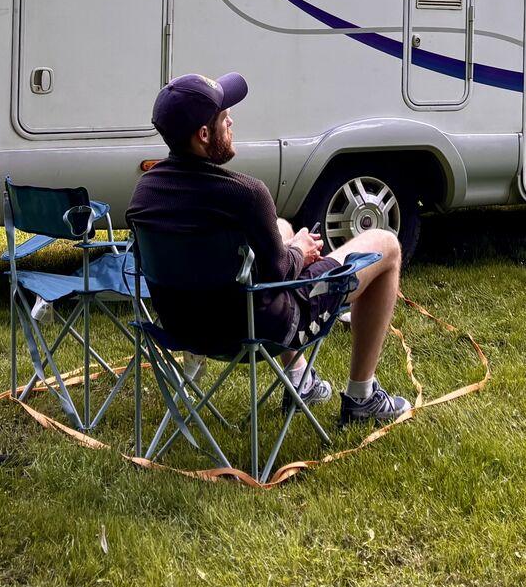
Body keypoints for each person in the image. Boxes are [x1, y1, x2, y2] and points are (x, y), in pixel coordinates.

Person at [125, 72, 412, 425]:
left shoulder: (145, 194)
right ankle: (361, 397)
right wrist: (300, 250)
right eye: (223, 117)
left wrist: (289, 244)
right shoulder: (246, 194)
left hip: (184, 326)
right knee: (387, 244)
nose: (232, 120)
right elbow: (278, 272)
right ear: (203, 135)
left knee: (281, 227)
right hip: (256, 328)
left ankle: (301, 380)